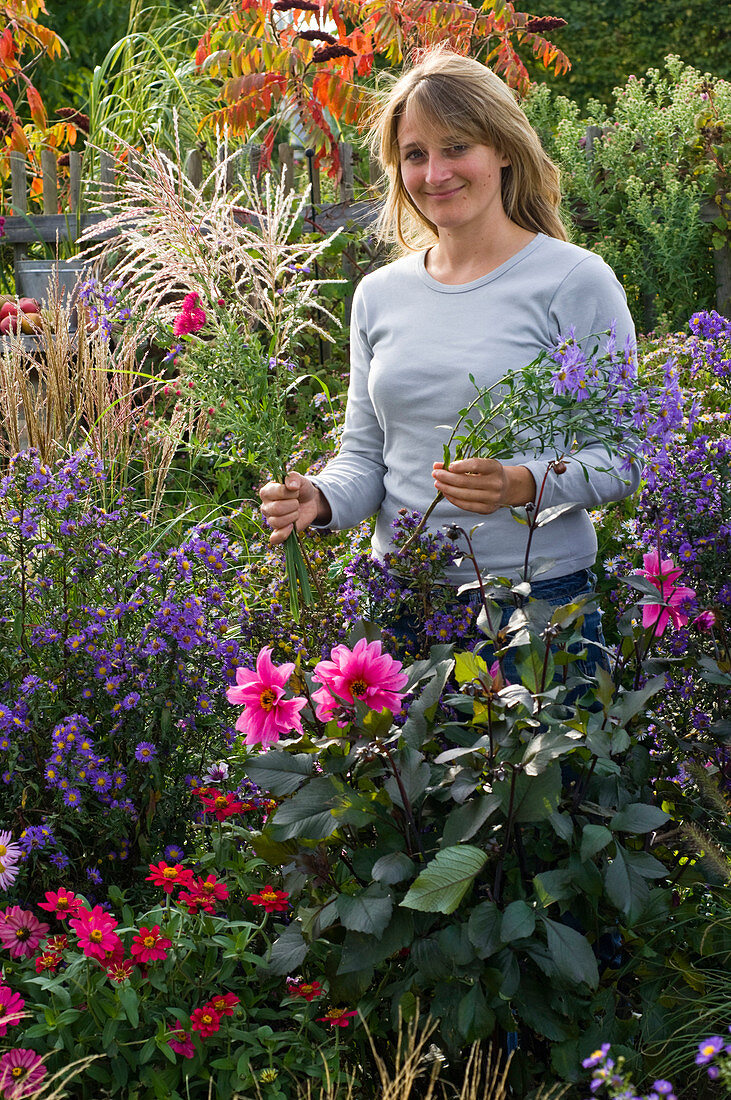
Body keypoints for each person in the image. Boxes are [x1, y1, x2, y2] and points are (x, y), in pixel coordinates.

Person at [260, 49, 640, 653]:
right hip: (404, 599)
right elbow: (367, 458)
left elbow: (624, 456)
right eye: (415, 155)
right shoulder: (379, 294)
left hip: (537, 608)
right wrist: (324, 497)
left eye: (457, 147)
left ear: (505, 149)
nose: (435, 173)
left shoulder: (574, 281)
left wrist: (522, 483)